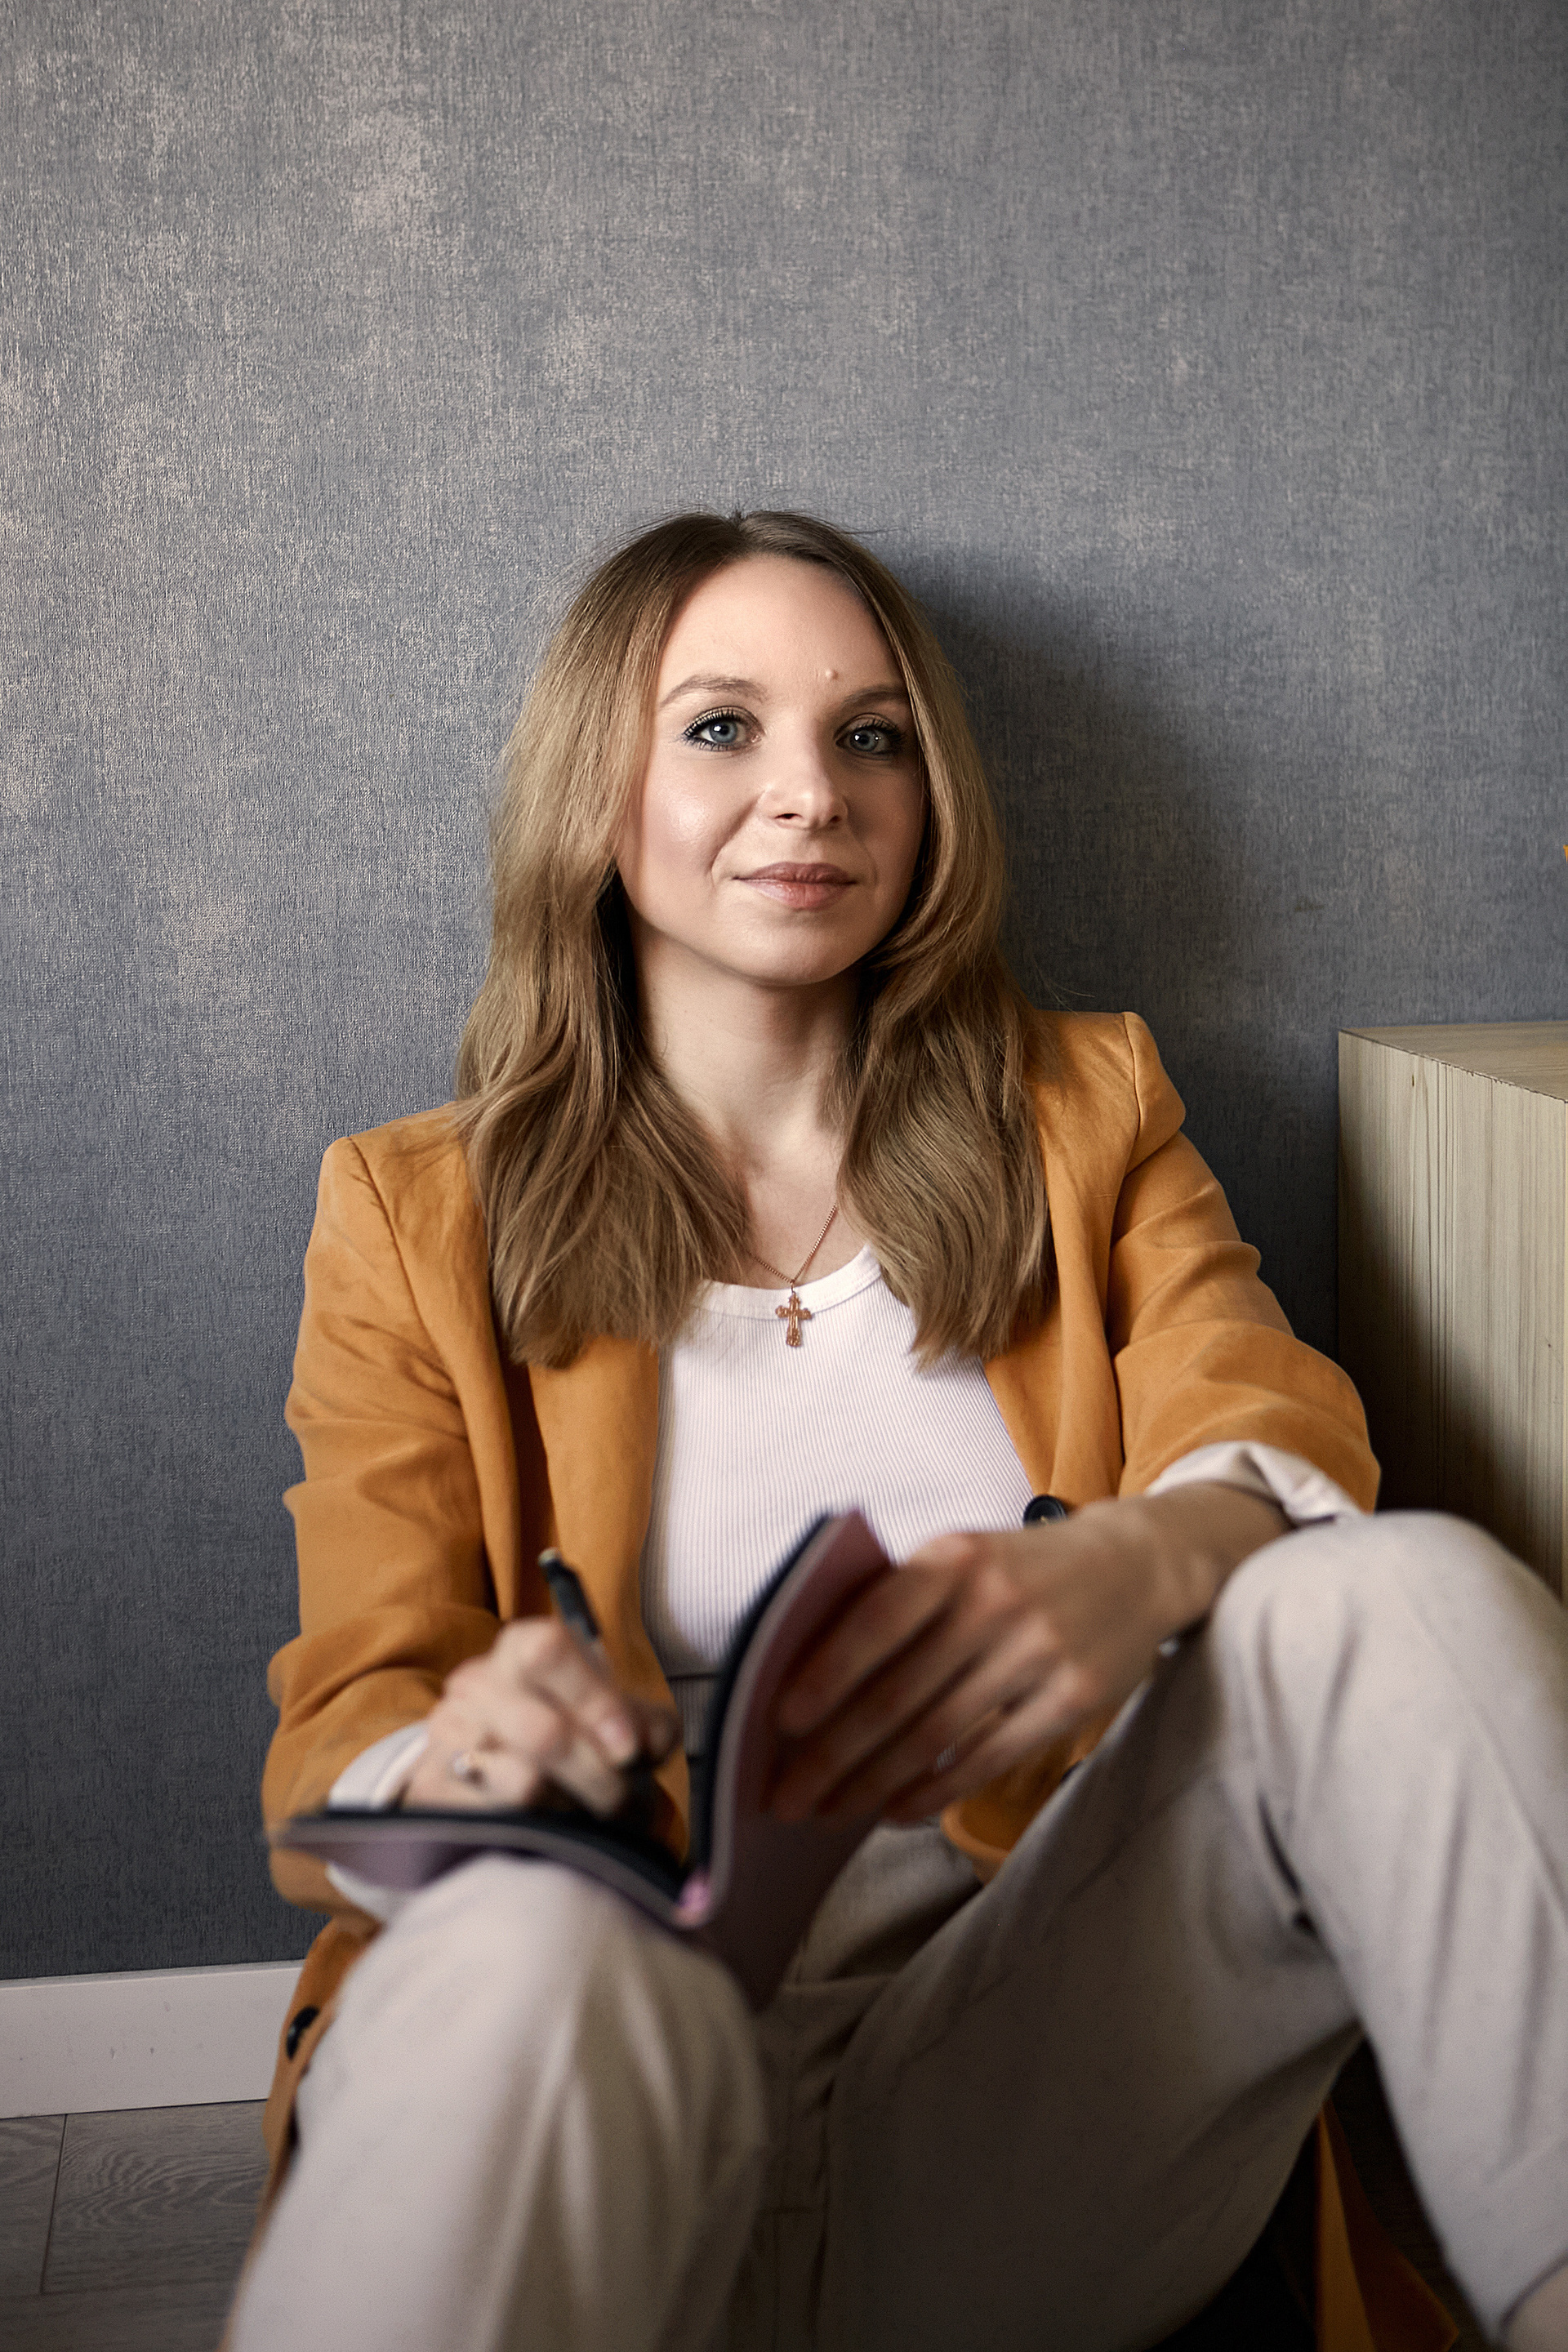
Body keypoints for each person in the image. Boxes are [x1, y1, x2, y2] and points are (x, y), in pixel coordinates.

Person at [228, 511, 1568, 2352]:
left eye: (871, 736)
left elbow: (1248, 1395)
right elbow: (344, 1719)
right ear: (596, 791)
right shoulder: (411, 1213)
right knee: (526, 1930)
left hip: (1017, 2086)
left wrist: (1141, 1561)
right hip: (597, 2104)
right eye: (722, 728)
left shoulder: (1087, 1107)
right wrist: (464, 1763)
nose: (813, 794)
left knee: (1404, 1595)